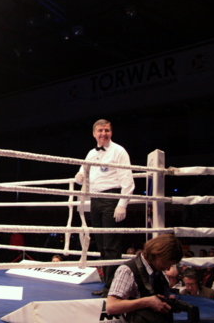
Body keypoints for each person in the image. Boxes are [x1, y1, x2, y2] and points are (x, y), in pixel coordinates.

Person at [75, 119, 135, 298]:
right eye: (100, 130)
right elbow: (83, 172)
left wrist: (122, 204)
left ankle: (114, 290)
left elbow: (128, 181)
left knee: (111, 245)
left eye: (107, 130)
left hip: (112, 198)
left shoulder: (119, 151)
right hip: (95, 199)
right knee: (101, 244)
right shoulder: (91, 153)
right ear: (94, 133)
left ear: (111, 132)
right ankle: (107, 285)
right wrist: (80, 176)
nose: (103, 133)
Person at [106, 234, 184, 322]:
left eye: (170, 264)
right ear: (156, 254)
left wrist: (167, 303)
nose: (168, 268)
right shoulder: (127, 270)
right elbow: (111, 306)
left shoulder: (160, 272)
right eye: (165, 262)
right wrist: (146, 302)